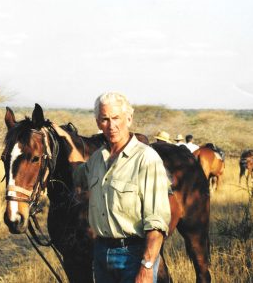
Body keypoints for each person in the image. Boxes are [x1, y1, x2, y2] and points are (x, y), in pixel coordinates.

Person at [53, 92, 171, 283]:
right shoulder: (98, 159)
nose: (111, 125)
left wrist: (147, 266)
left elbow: (157, 222)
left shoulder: (146, 159)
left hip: (134, 254)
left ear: (129, 119)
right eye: (105, 119)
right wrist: (67, 138)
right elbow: (78, 174)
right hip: (101, 252)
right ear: (98, 123)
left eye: (116, 118)